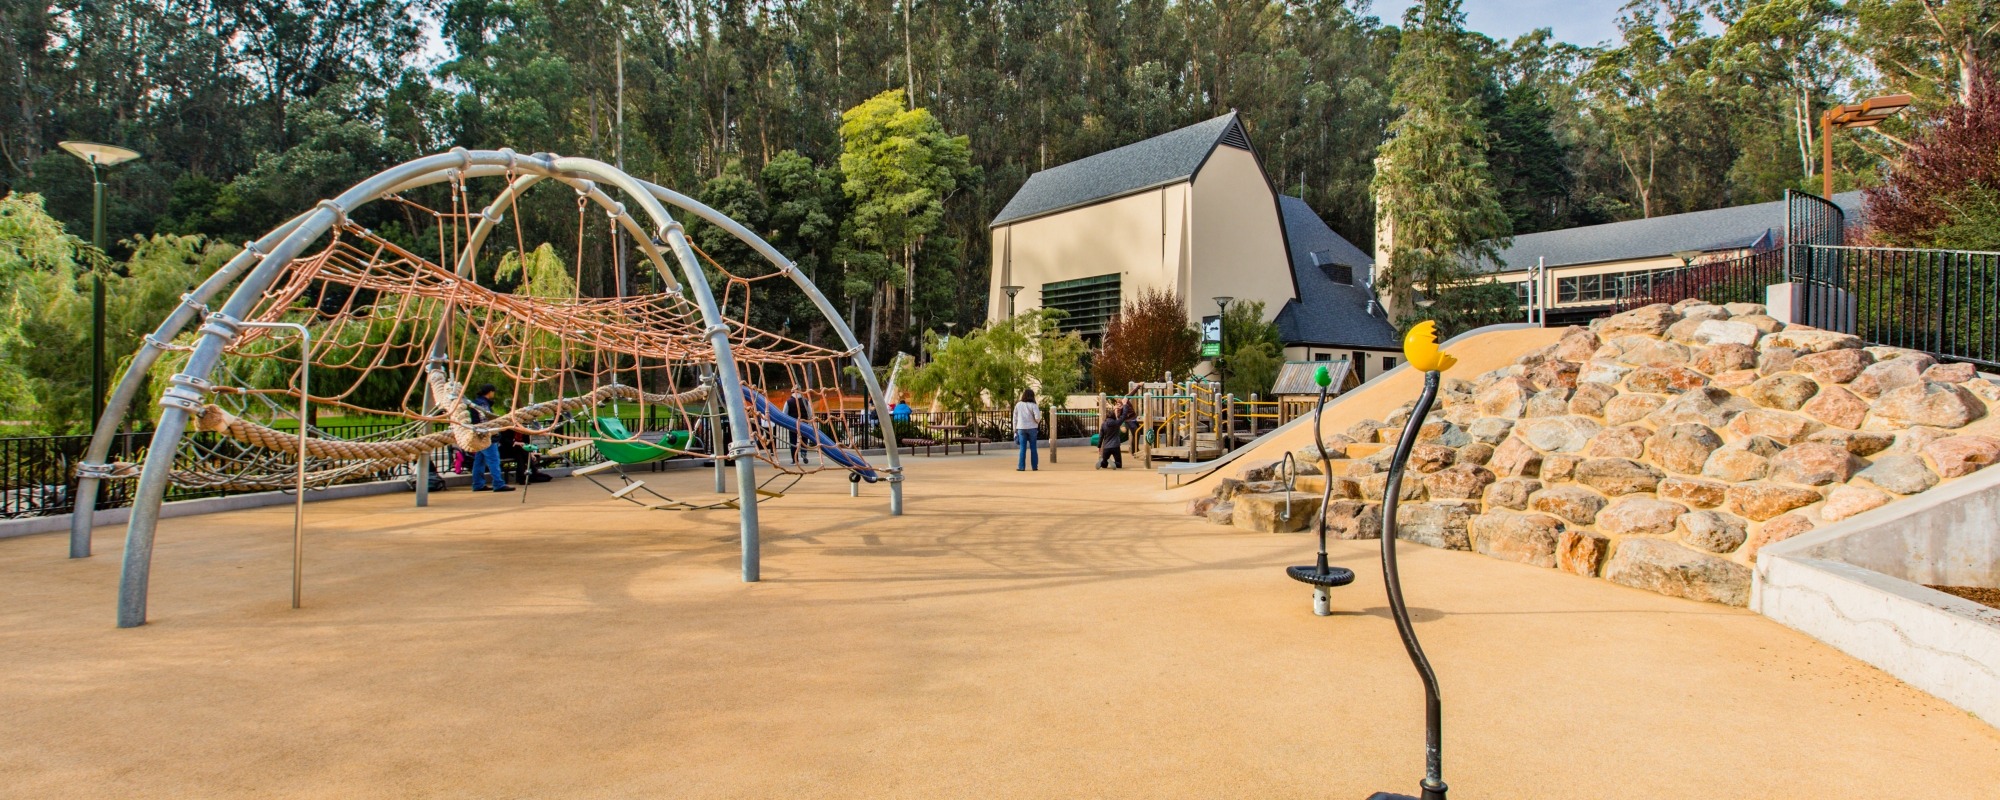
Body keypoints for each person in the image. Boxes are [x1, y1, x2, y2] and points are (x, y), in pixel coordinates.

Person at [467, 384, 514, 492]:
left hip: (478, 434)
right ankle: (498, 483)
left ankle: (478, 484)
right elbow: (485, 420)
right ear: (490, 392)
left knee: (479, 461)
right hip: (486, 436)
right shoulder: (483, 404)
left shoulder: (477, 402)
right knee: (493, 459)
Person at [1012, 388, 1040, 471]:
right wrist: (1036, 422)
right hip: (1032, 428)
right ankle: (1034, 467)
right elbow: (1038, 417)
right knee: (1033, 448)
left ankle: (1021, 467)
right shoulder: (1033, 405)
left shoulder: (1018, 405)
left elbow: (1015, 418)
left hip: (1021, 428)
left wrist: (1014, 429)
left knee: (1022, 448)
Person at [782, 389, 813, 465]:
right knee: (804, 439)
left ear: (792, 392)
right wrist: (808, 421)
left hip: (793, 424)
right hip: (804, 423)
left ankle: (794, 459)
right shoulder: (805, 401)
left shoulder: (788, 402)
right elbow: (810, 413)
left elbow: (784, 414)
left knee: (793, 441)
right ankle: (803, 452)